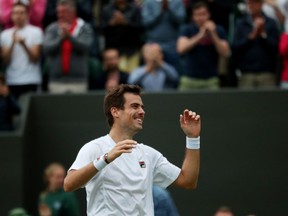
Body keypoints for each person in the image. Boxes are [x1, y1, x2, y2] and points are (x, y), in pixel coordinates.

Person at [64, 84, 201, 216]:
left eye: (142, 107)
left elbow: (188, 180)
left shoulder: (148, 154)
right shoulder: (94, 148)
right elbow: (69, 184)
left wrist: (193, 138)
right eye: (135, 106)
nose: (142, 111)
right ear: (115, 111)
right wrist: (105, 159)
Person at [177, 1, 230, 90]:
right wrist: (200, 35)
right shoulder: (187, 29)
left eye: (203, 14)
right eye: (197, 15)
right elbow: (181, 49)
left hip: (211, 80)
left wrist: (213, 34)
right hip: (189, 79)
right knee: (182, 103)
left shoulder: (218, 30)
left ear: (209, 14)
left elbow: (226, 53)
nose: (200, 18)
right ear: (193, 16)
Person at [43, 0, 93, 94]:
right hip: (56, 81)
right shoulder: (52, 28)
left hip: (78, 82)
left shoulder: (83, 27)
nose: (60, 15)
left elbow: (86, 47)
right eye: (58, 12)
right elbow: (47, 49)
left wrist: (70, 37)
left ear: (73, 11)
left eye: (64, 12)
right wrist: (61, 39)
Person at [232, 0, 280, 88]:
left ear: (261, 4)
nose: (251, 6)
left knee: (268, 100)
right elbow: (235, 47)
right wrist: (250, 38)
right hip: (246, 73)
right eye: (249, 3)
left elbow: (276, 47)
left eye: (254, 3)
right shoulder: (241, 24)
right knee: (246, 100)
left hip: (267, 73)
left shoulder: (271, 23)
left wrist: (263, 35)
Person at [0, 2, 43, 99]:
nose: (18, 16)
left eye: (22, 13)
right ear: (11, 15)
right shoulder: (5, 34)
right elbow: (5, 60)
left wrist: (23, 44)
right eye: (15, 13)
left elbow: (35, 58)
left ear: (28, 14)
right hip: (12, 81)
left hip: (31, 80)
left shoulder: (36, 32)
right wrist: (12, 42)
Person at [141, 0, 186, 75]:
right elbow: (146, 23)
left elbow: (181, 21)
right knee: (150, 76)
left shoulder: (178, 2)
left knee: (174, 76)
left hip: (172, 47)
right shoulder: (149, 2)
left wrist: (168, 10)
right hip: (152, 46)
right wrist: (161, 12)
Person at [101, 0, 143, 73]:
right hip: (112, 51)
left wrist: (125, 22)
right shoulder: (107, 9)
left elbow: (141, 29)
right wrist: (111, 23)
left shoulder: (135, 9)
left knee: (130, 80)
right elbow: (101, 30)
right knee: (113, 79)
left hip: (131, 50)